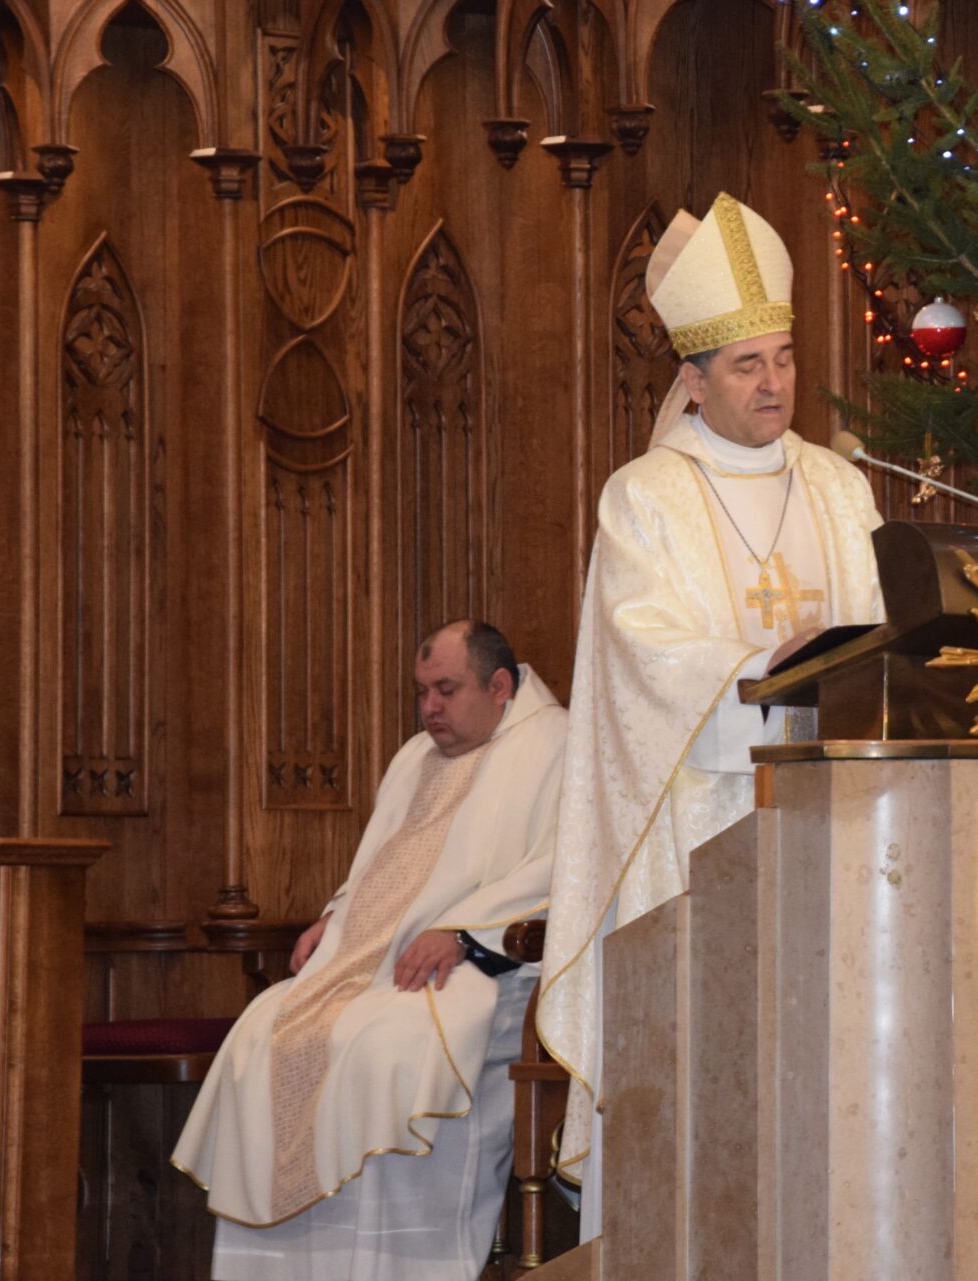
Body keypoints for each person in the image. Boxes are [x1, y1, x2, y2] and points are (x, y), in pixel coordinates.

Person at [534, 192, 885, 1238]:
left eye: (783, 358)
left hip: (839, 833)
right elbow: (642, 655)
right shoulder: (646, 495)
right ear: (693, 380)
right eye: (745, 366)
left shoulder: (839, 487)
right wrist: (758, 667)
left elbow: (885, 633)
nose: (773, 383)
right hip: (696, 845)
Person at [173, 620, 568, 1281]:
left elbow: (562, 868)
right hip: (378, 965)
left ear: (499, 686)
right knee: (263, 1031)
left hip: (491, 969)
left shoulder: (556, 745)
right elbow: (381, 867)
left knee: (388, 1048)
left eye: (446, 690)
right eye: (421, 692)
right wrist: (336, 917)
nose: (429, 708)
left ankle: (396, 1264)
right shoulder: (414, 757)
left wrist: (465, 932)